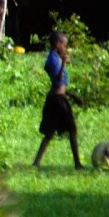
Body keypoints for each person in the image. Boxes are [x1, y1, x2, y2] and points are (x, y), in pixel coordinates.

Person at [32, 30, 84, 169]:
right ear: (57, 44)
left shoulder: (55, 58)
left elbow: (61, 86)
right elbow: (58, 79)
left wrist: (74, 97)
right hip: (57, 101)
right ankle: (77, 164)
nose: (65, 48)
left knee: (49, 133)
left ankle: (36, 163)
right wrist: (64, 64)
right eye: (64, 45)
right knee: (71, 129)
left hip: (56, 98)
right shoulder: (53, 59)